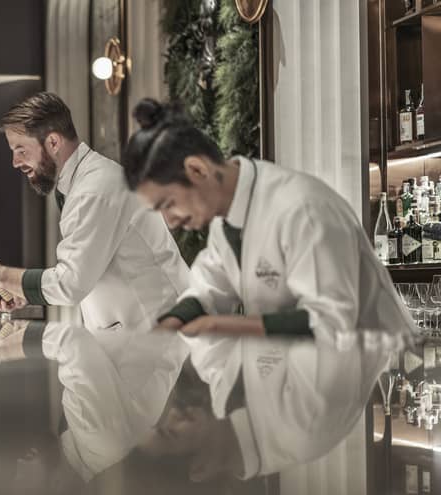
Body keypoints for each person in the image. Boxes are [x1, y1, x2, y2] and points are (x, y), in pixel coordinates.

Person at [121, 98, 415, 479]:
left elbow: (332, 322)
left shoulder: (299, 208)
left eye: (167, 204)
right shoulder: (226, 225)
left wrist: (222, 327)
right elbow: (206, 290)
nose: (171, 221)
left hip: (397, 383)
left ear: (196, 169)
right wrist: (167, 327)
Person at [0, 92, 189, 331]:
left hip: (157, 339)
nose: (15, 162)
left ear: (53, 143)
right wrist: (23, 289)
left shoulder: (96, 189)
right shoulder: (82, 183)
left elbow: (71, 283)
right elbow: (88, 268)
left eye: (21, 150)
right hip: (138, 335)